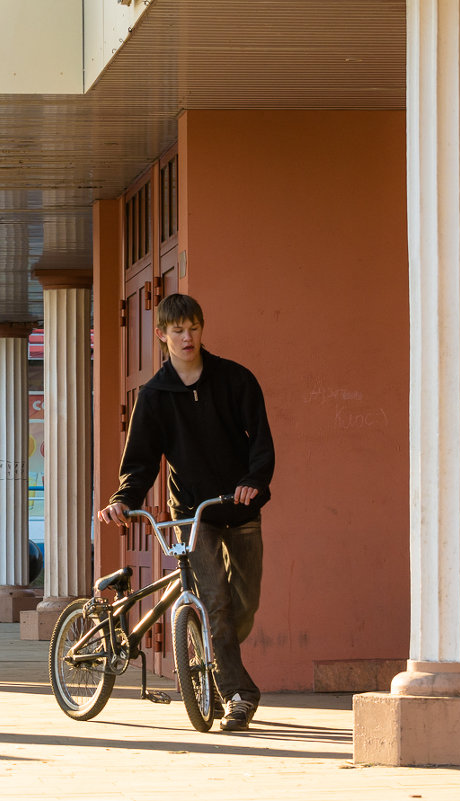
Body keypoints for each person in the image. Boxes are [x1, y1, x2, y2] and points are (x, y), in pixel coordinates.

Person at [97, 293, 275, 732]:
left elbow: (261, 442)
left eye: (193, 327)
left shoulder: (235, 379)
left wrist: (254, 480)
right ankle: (238, 694)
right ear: (161, 335)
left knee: (243, 606)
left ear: (202, 329)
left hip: (240, 507)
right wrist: (124, 499)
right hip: (193, 515)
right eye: (177, 330)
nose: (187, 336)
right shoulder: (155, 395)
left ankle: (217, 664)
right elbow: (139, 461)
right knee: (215, 601)